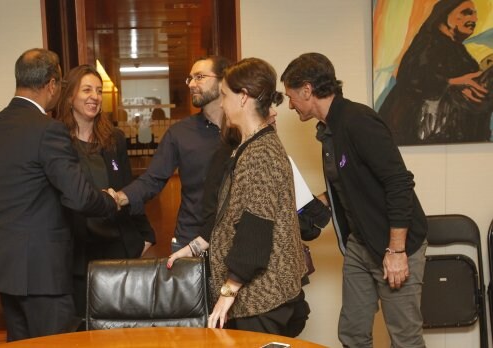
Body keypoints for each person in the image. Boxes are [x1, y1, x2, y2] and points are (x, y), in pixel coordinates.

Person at [0, 49, 118, 341]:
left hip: (2, 266)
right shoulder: (48, 131)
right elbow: (78, 196)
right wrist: (111, 202)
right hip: (43, 271)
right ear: (52, 85)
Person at [281, 52, 428, 347]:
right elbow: (344, 186)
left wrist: (397, 252)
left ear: (307, 90)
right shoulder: (328, 131)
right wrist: (301, 214)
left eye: (291, 95)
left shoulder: (358, 121)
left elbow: (399, 183)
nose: (289, 104)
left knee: (404, 338)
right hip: (360, 246)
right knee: (353, 333)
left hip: (394, 245)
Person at [168, 57, 307, 336]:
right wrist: (195, 247)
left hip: (262, 300)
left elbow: (254, 231)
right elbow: (227, 215)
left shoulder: (261, 153)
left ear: (243, 97)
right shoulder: (245, 146)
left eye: (224, 95)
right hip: (255, 299)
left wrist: (228, 292)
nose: (221, 104)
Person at [54, 64, 156, 325]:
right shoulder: (56, 141)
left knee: (120, 326)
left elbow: (127, 186)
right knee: (82, 328)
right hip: (78, 251)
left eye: (99, 91)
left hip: (116, 246)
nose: (95, 96)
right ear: (69, 97)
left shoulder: (114, 139)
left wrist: (145, 235)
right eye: (87, 89)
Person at [113, 56, 232, 252]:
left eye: (200, 77)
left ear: (223, 81)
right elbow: (152, 179)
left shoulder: (242, 129)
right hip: (190, 240)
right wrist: (118, 198)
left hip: (234, 240)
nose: (192, 84)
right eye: (190, 79)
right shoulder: (180, 133)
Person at [378, 0, 490, 145]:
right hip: (416, 130)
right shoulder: (428, 43)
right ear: (444, 15)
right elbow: (411, 77)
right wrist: (454, 83)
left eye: (475, 14)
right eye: (466, 13)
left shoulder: (457, 49)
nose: (474, 19)